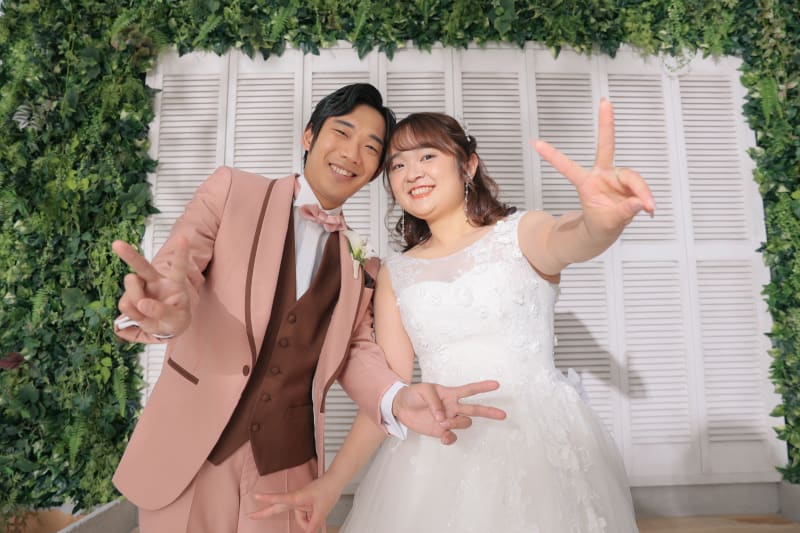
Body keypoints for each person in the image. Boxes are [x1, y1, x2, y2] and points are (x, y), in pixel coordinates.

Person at [110, 83, 507, 533]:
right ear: (309, 135)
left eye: (371, 147)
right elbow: (174, 273)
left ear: (375, 170)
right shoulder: (232, 191)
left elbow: (354, 351)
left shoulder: (363, 264)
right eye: (342, 132)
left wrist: (396, 399)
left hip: (288, 469)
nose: (352, 153)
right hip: (189, 450)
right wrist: (164, 316)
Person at [252, 102, 652, 532]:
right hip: (439, 447)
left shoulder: (521, 233)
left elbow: (572, 239)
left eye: (427, 155)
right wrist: (331, 484)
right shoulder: (396, 274)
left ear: (469, 165)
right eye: (397, 165)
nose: (412, 172)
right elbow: (388, 394)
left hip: (540, 442)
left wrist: (601, 224)